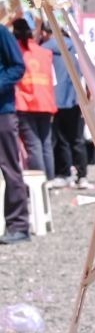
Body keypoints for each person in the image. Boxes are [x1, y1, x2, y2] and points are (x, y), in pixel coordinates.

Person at [11, 18, 56, 177]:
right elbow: (52, 79)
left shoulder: (14, 52)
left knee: (33, 145)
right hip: (45, 101)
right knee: (45, 144)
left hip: (25, 102)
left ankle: (40, 182)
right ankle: (49, 180)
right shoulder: (44, 52)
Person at [50, 22, 89, 189]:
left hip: (55, 99)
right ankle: (82, 176)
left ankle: (64, 173)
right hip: (76, 99)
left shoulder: (46, 48)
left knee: (61, 139)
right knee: (77, 139)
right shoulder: (78, 49)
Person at [0, 20, 28, 244]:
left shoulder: (1, 32)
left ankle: (18, 225)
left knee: (9, 167)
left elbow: (18, 66)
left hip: (2, 112)